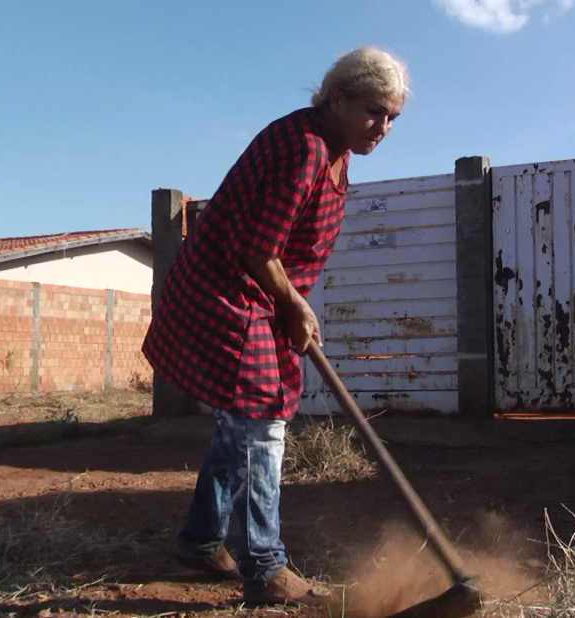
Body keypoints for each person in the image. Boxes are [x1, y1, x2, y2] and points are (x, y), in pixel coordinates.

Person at [141, 46, 409, 605]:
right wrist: (294, 305)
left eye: (392, 117)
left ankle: (199, 541)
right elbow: (258, 249)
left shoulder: (336, 151)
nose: (382, 127)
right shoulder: (304, 149)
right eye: (373, 111)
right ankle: (264, 566)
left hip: (258, 293)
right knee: (262, 414)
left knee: (243, 418)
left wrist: (288, 303)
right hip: (226, 288)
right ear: (337, 96)